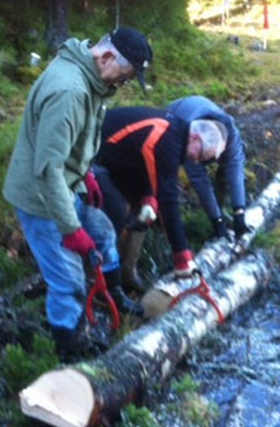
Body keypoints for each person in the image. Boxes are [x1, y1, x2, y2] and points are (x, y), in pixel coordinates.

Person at [2, 27, 152, 356]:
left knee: (103, 234)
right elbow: (48, 169)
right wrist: (70, 230)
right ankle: (69, 351)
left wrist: (87, 177)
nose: (120, 85)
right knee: (67, 281)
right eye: (123, 78)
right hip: (41, 198)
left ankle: (112, 297)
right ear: (107, 56)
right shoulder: (69, 90)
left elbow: (75, 145)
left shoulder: (91, 80)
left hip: (67, 186)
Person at [92, 106, 228, 290]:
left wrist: (147, 198)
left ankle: (127, 274)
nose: (197, 161)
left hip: (115, 160)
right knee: (115, 214)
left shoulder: (175, 137)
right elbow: (168, 200)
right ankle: (96, 279)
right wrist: (182, 257)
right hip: (89, 155)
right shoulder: (166, 136)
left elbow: (148, 165)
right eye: (202, 155)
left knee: (144, 214)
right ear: (195, 138)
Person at [167, 95, 251, 242]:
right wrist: (216, 221)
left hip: (202, 109)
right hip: (177, 112)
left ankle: (222, 210)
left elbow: (236, 171)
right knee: (170, 173)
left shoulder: (231, 133)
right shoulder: (192, 140)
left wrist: (240, 213)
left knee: (227, 171)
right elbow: (200, 181)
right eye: (213, 156)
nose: (217, 160)